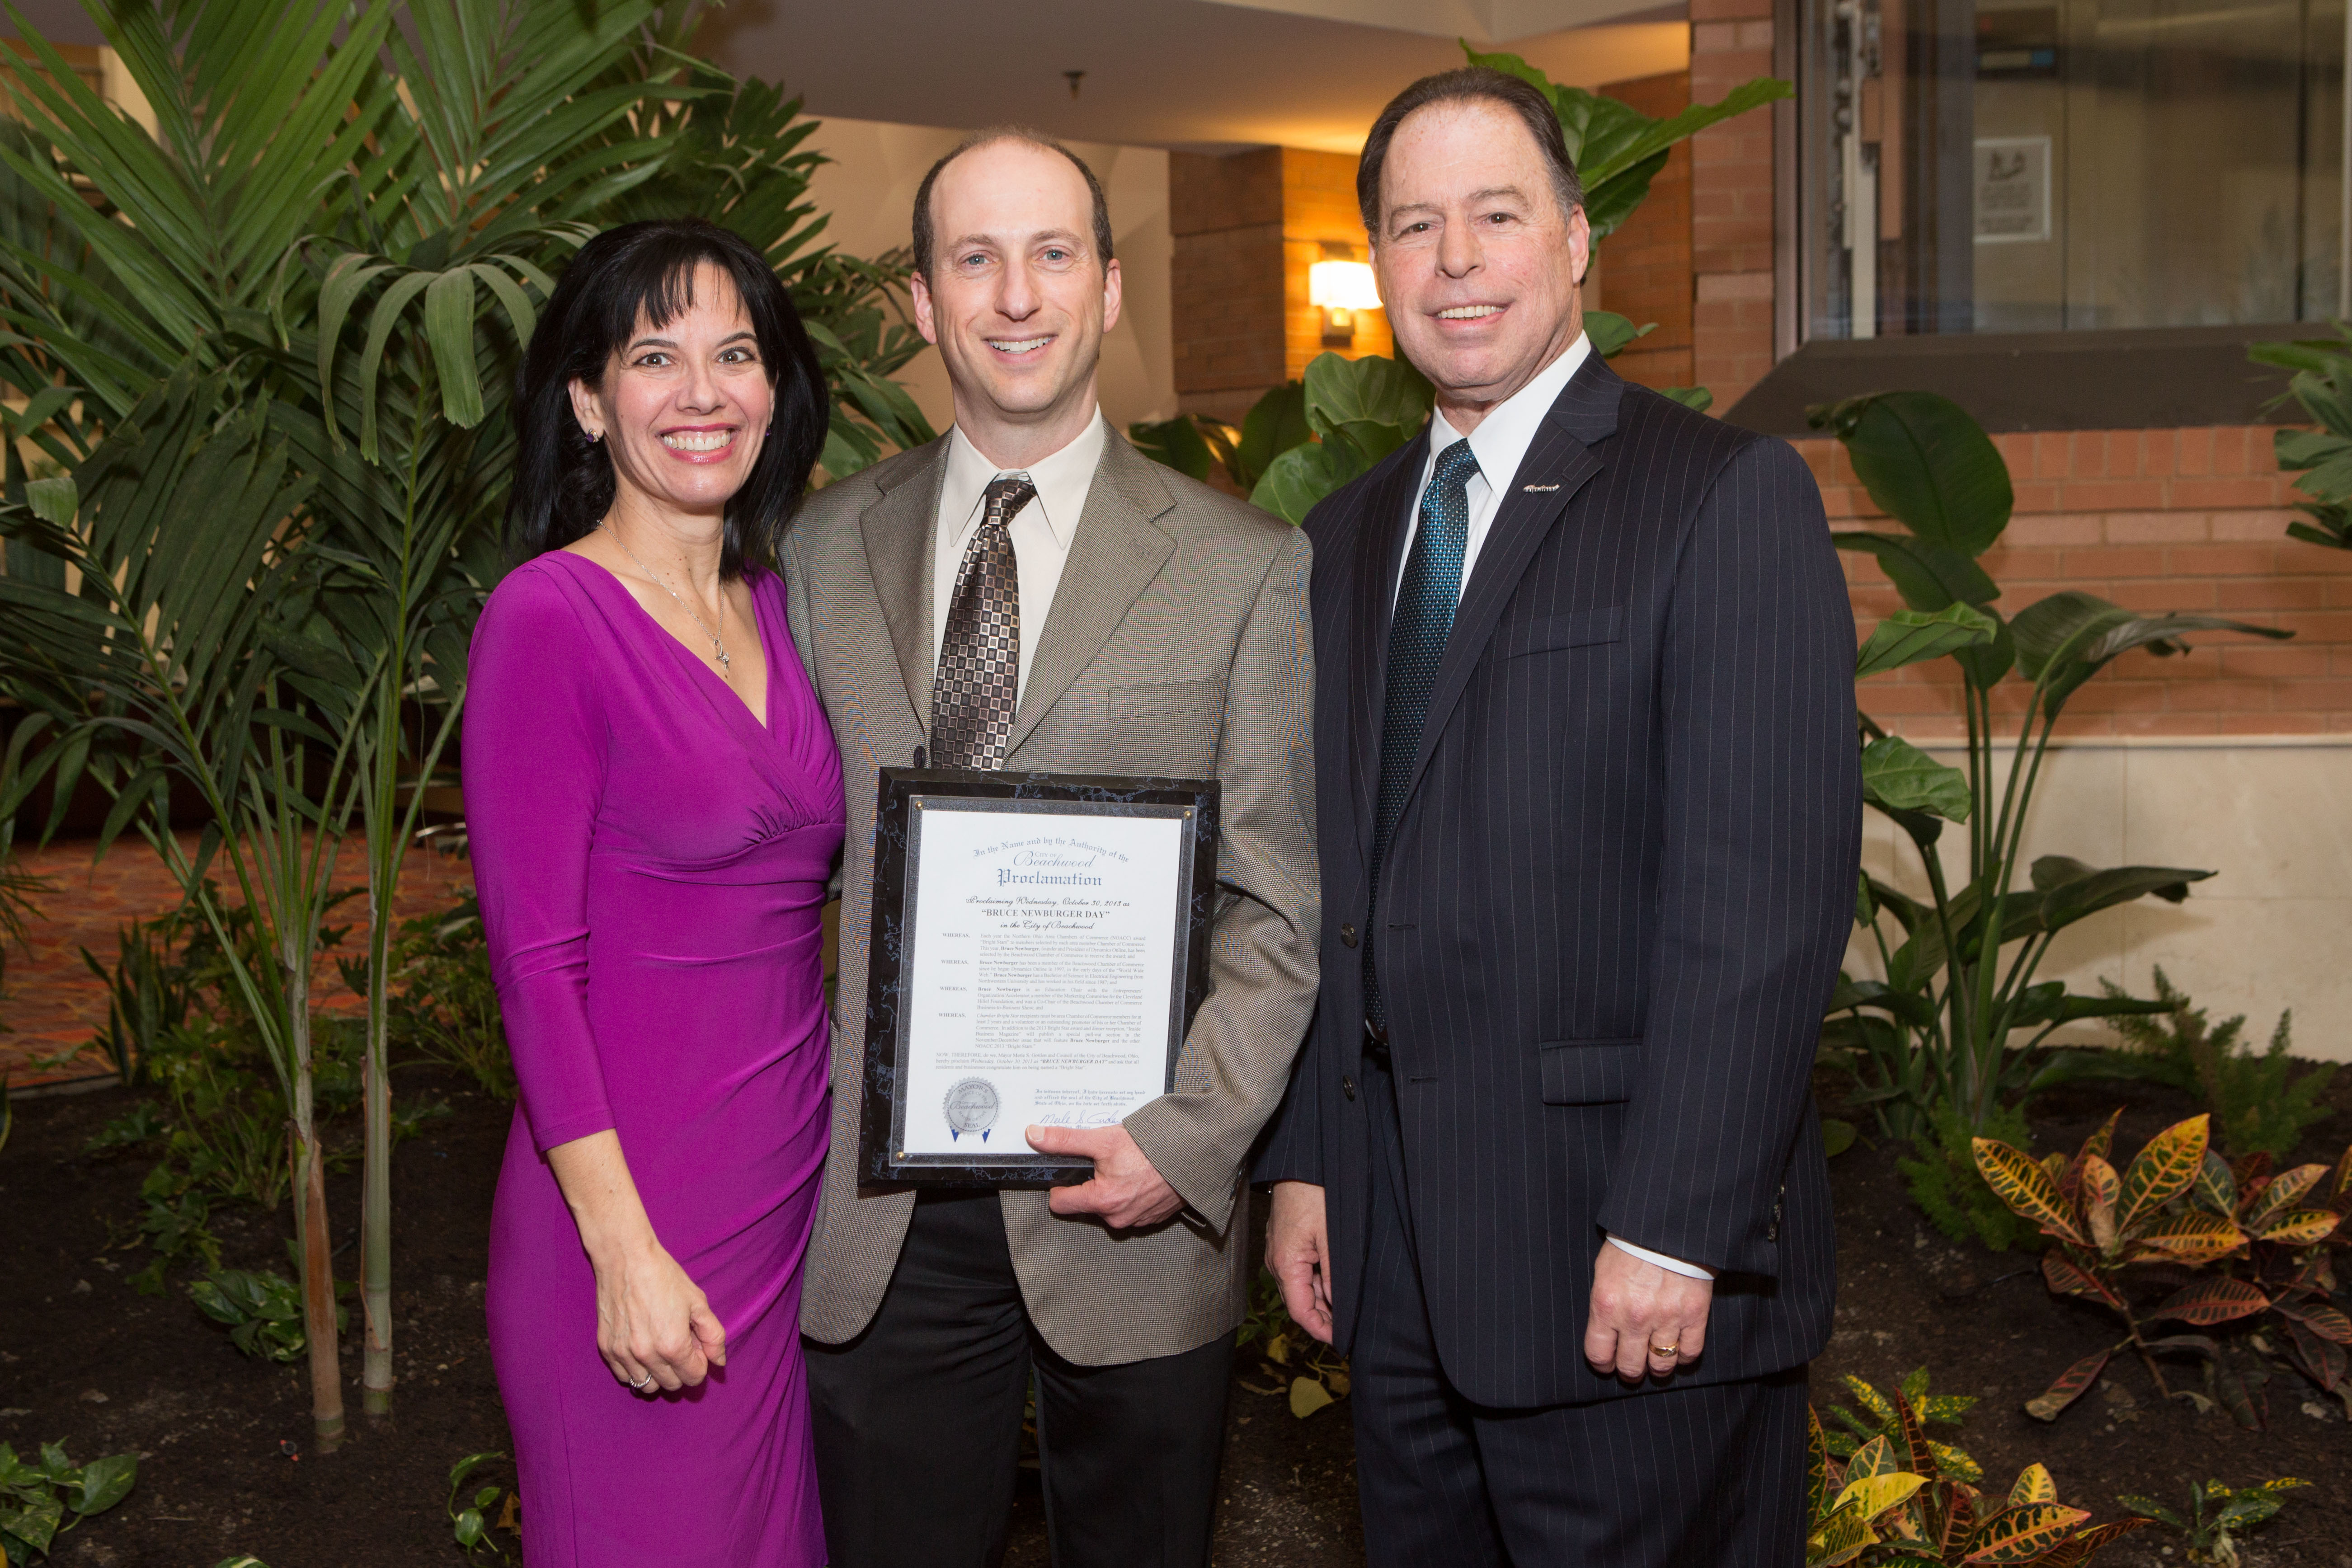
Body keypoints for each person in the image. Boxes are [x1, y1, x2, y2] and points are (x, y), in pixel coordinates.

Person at [1254, 68, 1861, 1566]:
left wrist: (1674, 1229)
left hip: (1628, 1279)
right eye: (1412, 225)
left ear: (1577, 241)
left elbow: (1763, 907)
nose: (1453, 259)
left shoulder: (1721, 497)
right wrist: (1308, 1164)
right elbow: (1335, 880)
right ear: (1380, 266)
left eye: (1495, 215)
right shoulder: (1341, 539)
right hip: (1396, 1277)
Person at [783, 128, 1319, 1567]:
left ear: (1111, 287)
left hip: (1129, 1205)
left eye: (1051, 253)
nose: (1015, 295)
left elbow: (1274, 910)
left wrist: (1186, 1139)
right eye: (975, 257)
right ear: (921, 300)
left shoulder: (1243, 567)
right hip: (875, 1214)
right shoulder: (820, 549)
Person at [463, 217, 843, 1567]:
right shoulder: (548, 620)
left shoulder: (788, 608)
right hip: (631, 1214)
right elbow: (532, 967)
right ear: (585, 398)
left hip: (788, 1208)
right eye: (654, 356)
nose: (702, 393)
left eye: (735, 354)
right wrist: (621, 1249)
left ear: (775, 391)